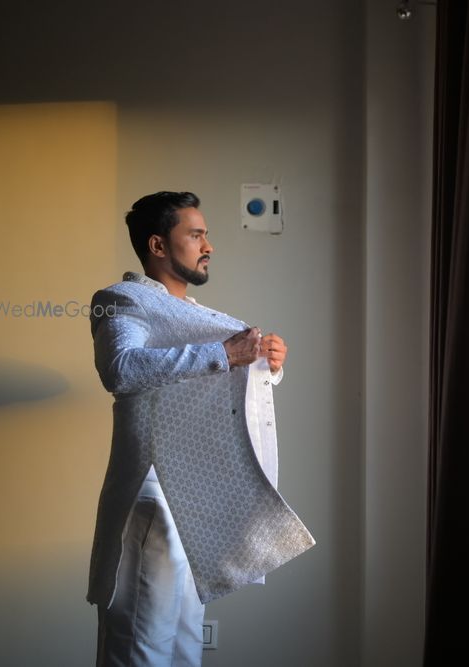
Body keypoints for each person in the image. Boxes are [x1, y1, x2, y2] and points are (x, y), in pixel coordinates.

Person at [86, 191, 314, 666]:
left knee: (185, 646)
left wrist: (267, 366)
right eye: (195, 235)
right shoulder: (120, 300)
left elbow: (207, 381)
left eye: (206, 235)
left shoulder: (193, 315)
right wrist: (225, 354)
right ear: (158, 245)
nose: (208, 246)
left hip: (193, 500)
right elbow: (121, 369)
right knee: (142, 646)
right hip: (151, 493)